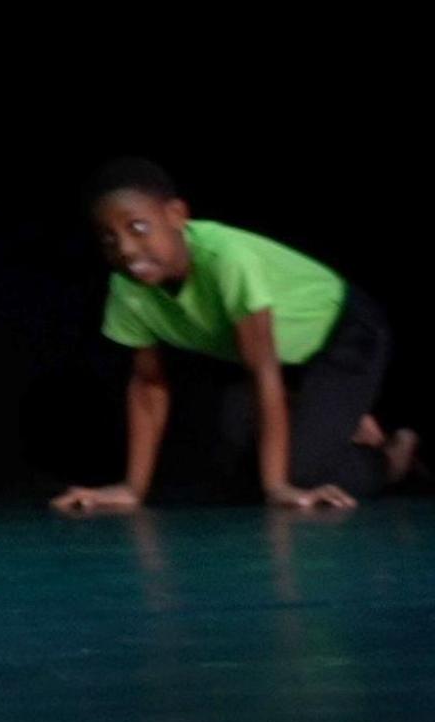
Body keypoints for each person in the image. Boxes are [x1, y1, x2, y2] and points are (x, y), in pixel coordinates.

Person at [51, 158, 414, 513]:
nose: (126, 250)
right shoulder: (128, 288)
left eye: (138, 228)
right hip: (288, 358)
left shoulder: (227, 259)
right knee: (233, 442)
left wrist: (277, 488)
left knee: (294, 473)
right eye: (109, 239)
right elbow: (148, 386)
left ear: (176, 215)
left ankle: (393, 457)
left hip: (345, 332)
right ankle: (336, 417)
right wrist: (133, 490)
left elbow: (263, 371)